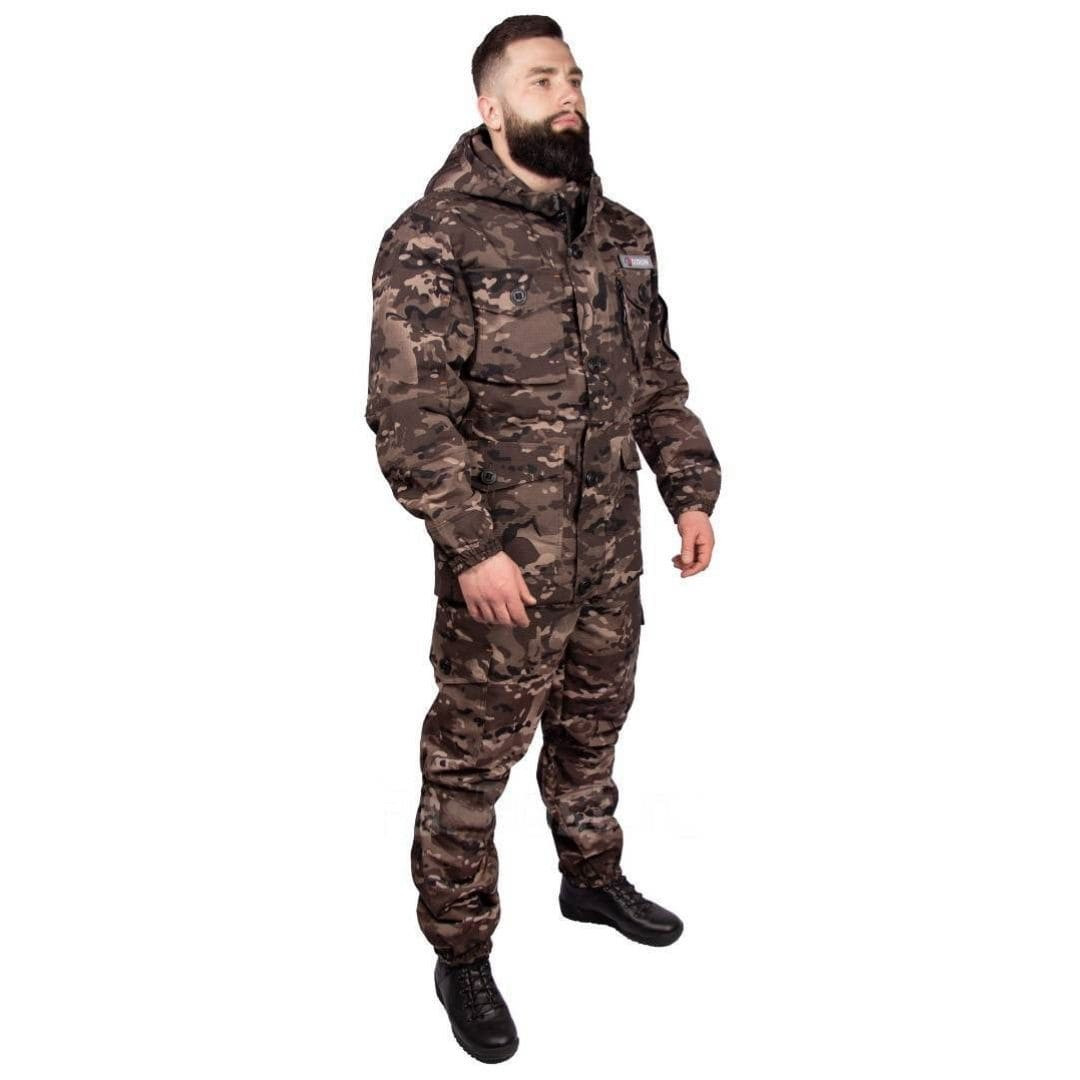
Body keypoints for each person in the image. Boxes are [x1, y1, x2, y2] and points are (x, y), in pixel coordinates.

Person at [365, 15, 722, 1064]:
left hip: (608, 551)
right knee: (471, 758)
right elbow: (410, 412)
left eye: (572, 76)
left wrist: (690, 492)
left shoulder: (621, 234)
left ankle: (591, 875)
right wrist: (471, 547)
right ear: (490, 107)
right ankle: (462, 948)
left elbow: (657, 382)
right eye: (539, 79)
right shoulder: (435, 237)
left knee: (593, 723)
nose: (566, 92)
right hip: (506, 567)